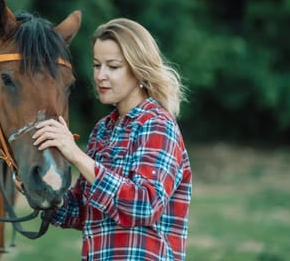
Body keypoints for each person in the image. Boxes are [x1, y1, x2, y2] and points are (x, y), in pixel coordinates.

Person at [33, 18, 192, 260]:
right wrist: (41, 190)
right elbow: (79, 212)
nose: (100, 75)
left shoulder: (157, 124)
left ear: (138, 69)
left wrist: (76, 154)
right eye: (97, 65)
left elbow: (145, 206)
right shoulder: (103, 130)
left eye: (113, 66)